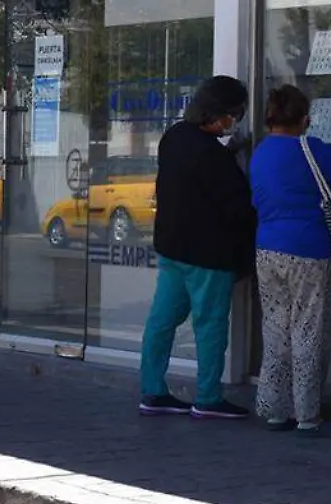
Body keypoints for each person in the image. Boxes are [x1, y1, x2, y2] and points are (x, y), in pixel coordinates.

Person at [139, 75, 257, 420]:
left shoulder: (174, 138)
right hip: (208, 255)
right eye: (235, 115)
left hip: (172, 248)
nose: (235, 122)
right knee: (210, 325)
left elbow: (190, 175)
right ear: (221, 114)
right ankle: (207, 397)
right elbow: (237, 208)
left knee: (162, 320)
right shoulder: (214, 158)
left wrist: (229, 152)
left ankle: (152, 390)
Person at [250, 85, 331, 436]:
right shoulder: (310, 148)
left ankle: (273, 409)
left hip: (267, 248)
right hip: (310, 250)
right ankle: (306, 413)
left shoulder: (261, 153)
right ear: (305, 119)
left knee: (276, 327)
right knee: (309, 331)